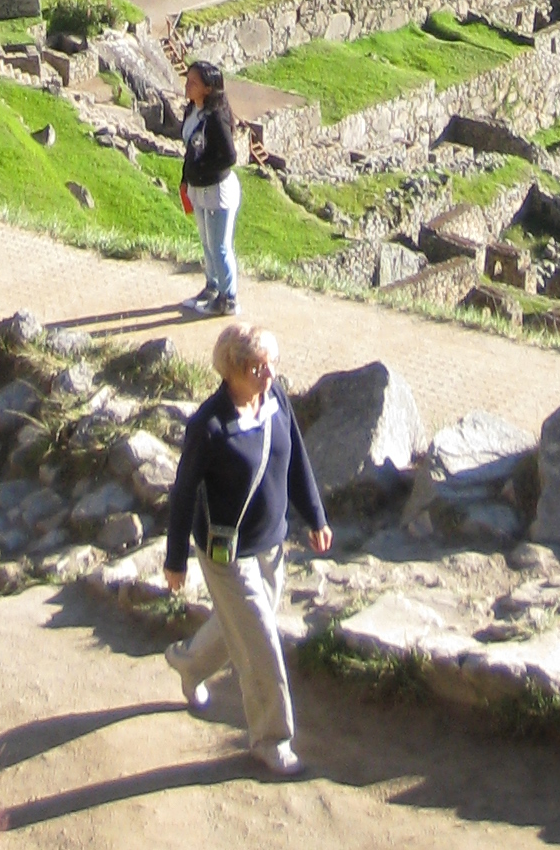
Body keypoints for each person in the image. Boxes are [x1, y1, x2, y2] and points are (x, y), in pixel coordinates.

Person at [162, 322, 332, 781]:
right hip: (226, 555)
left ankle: (188, 663)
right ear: (233, 371)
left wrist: (315, 516)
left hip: (271, 544)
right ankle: (271, 740)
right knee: (260, 644)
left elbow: (295, 457)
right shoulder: (209, 426)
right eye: (260, 367)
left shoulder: (275, 402)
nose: (270, 374)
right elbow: (183, 492)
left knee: (241, 626)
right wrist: (175, 558)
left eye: (272, 364)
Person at [181, 60, 242, 315]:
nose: (187, 86)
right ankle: (212, 287)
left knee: (220, 246)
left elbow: (228, 157)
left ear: (207, 89)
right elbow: (190, 149)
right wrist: (186, 178)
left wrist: (202, 170)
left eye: (193, 83)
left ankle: (229, 299)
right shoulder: (191, 111)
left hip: (218, 190)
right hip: (198, 189)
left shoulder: (216, 117)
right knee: (207, 243)